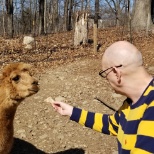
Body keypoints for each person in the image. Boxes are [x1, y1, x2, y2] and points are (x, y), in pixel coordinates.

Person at [51, 41, 154, 154]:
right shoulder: (132, 102)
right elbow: (112, 124)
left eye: (104, 74)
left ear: (116, 73)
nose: (106, 79)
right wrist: (71, 111)